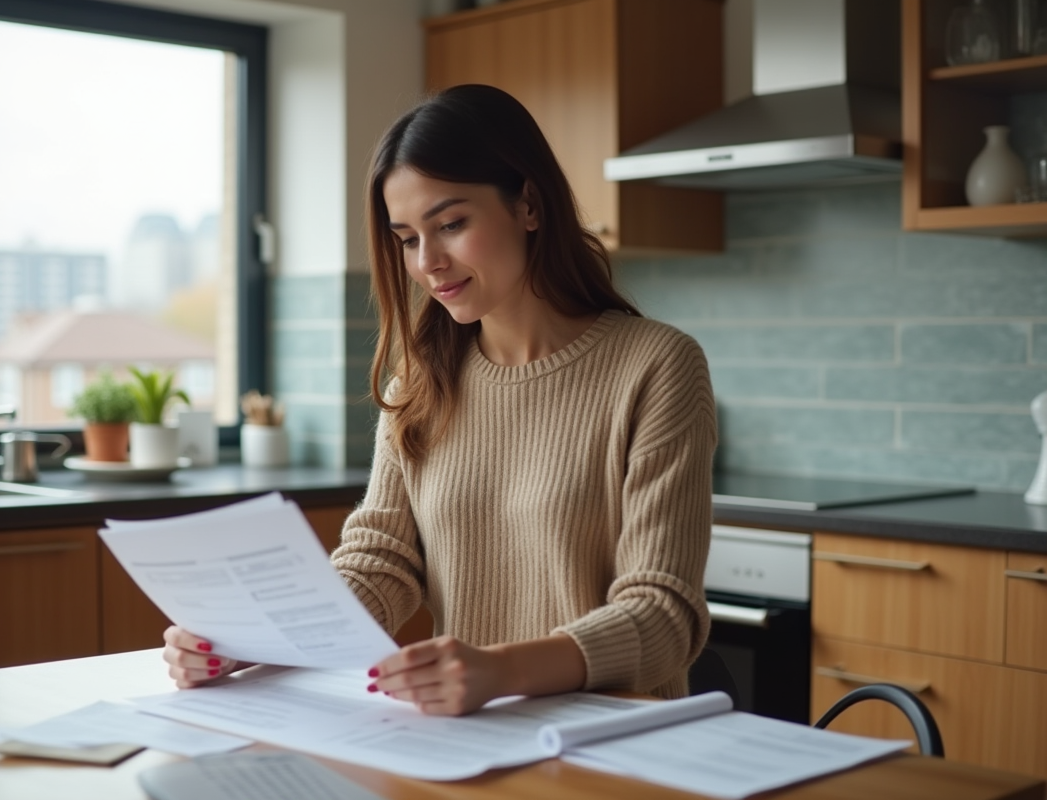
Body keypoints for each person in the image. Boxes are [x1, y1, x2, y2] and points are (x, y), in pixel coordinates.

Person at [163, 84, 716, 717]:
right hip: (469, 733)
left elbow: (663, 615)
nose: (428, 262)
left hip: (615, 737)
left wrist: (501, 670)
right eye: (406, 238)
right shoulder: (421, 380)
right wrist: (252, 640)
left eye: (451, 224)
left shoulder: (657, 365)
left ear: (528, 205)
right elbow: (383, 562)